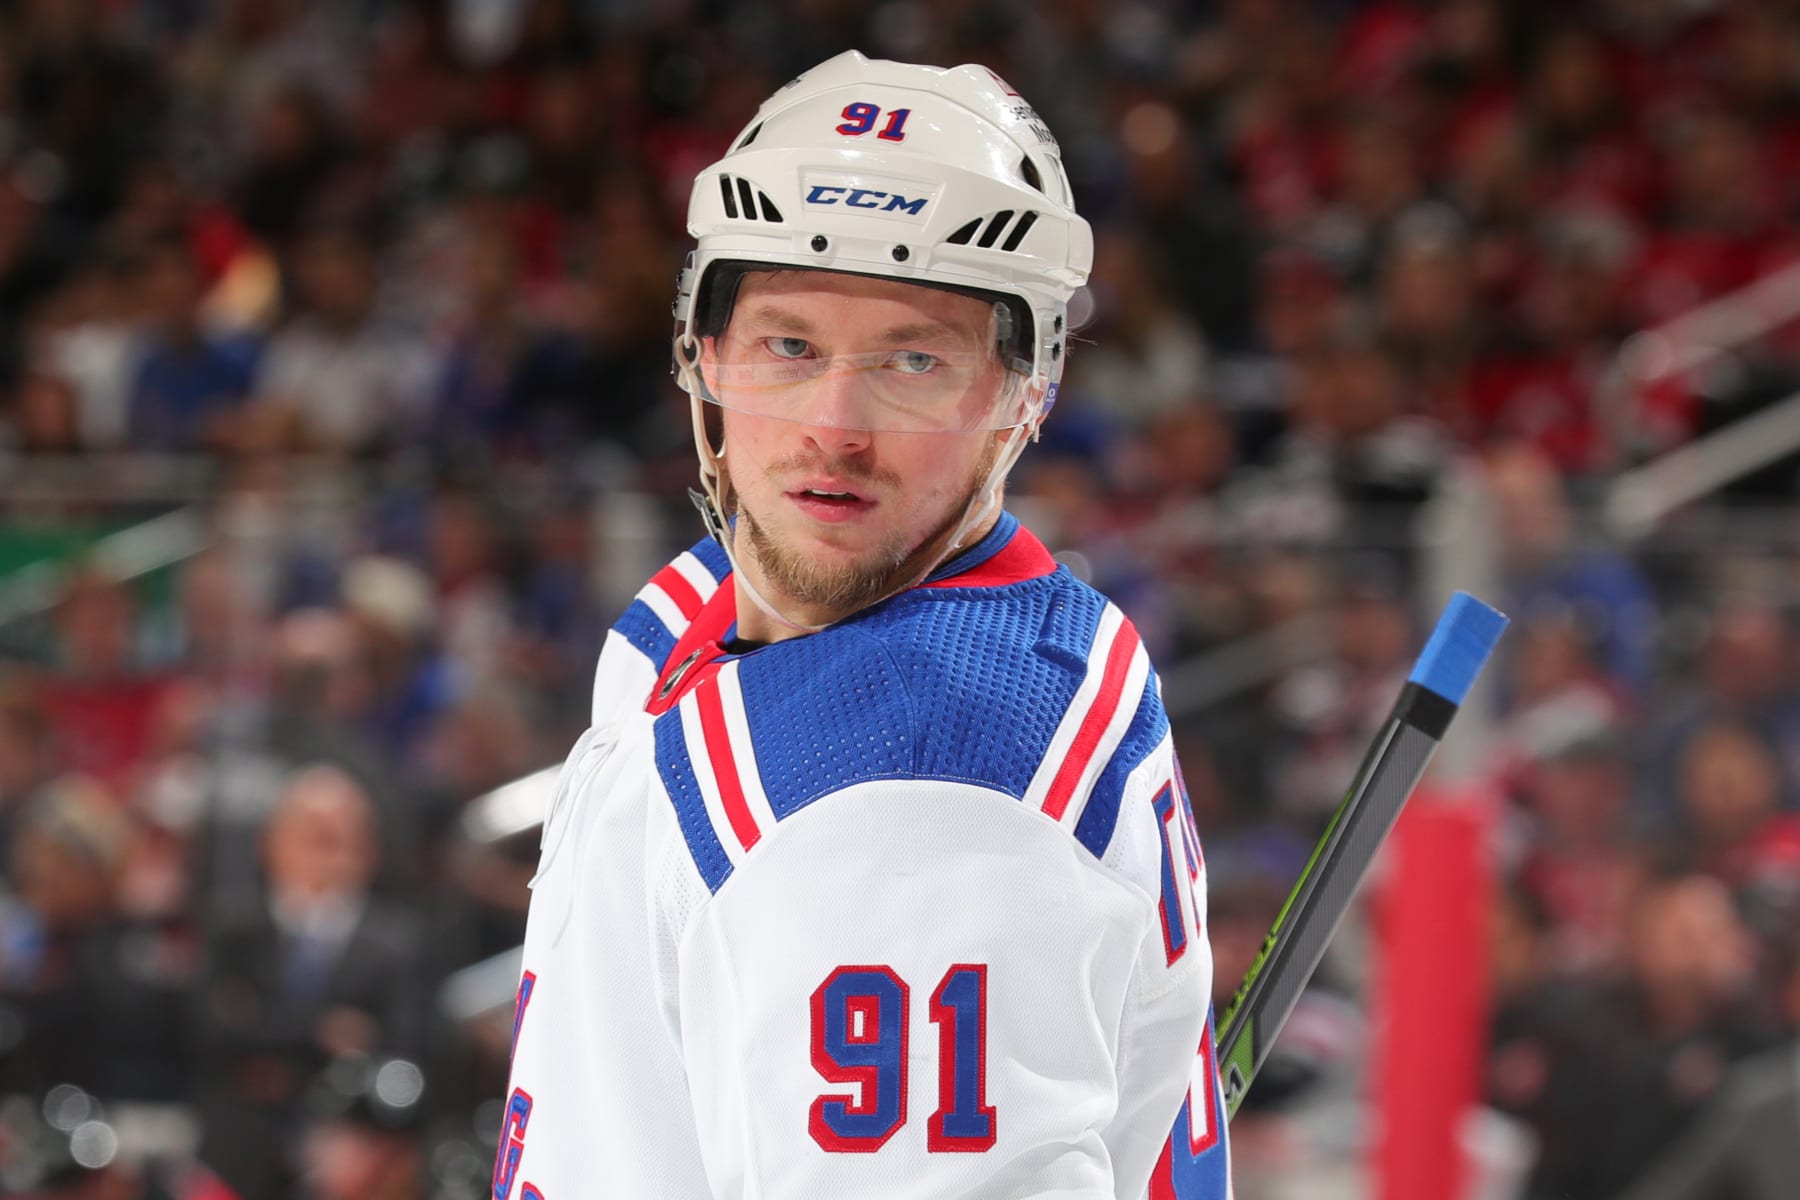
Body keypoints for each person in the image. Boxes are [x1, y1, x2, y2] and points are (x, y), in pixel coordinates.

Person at [498, 51, 1232, 1198]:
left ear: (1022, 394)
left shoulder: (914, 788)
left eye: (913, 360)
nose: (835, 426)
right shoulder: (732, 608)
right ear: (703, 353)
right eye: (789, 346)